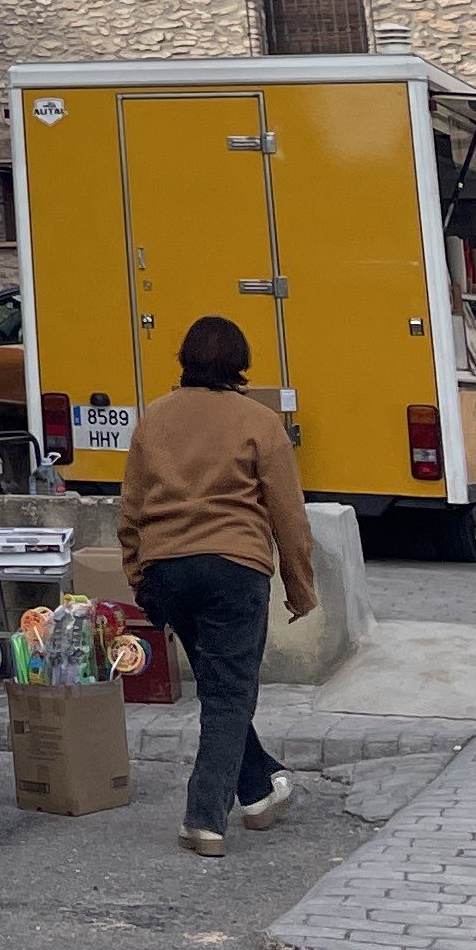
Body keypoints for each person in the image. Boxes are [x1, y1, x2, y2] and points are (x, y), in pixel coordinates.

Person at [117, 314, 318, 857]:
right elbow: (288, 515)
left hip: (168, 569)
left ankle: (257, 792)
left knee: (219, 688)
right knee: (230, 692)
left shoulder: (153, 419)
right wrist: (300, 588)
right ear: (240, 362)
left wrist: (140, 576)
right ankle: (204, 819)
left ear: (184, 358)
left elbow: (130, 509)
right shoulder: (259, 421)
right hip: (235, 565)